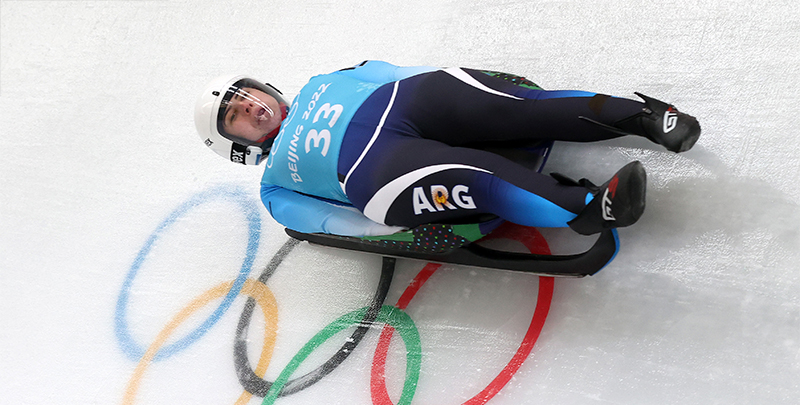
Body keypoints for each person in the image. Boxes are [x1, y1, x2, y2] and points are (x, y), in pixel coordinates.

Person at [195, 61, 700, 237]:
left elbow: (396, 74)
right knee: (475, 173)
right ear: (235, 144)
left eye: (246, 95)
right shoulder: (274, 186)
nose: (251, 108)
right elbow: (337, 226)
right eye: (236, 115)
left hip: (405, 102)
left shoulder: (326, 78)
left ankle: (646, 118)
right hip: (375, 170)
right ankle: (589, 208)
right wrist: (408, 229)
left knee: (519, 108)